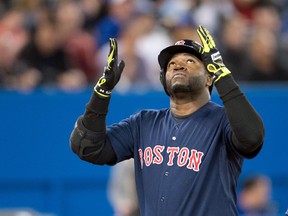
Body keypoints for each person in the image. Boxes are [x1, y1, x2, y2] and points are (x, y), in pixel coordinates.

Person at [70, 25, 265, 215]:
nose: (178, 65)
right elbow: (87, 147)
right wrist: (101, 93)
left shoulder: (224, 120)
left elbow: (252, 137)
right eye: (171, 64)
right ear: (164, 79)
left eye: (190, 61)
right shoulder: (143, 123)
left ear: (209, 77)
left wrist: (222, 73)